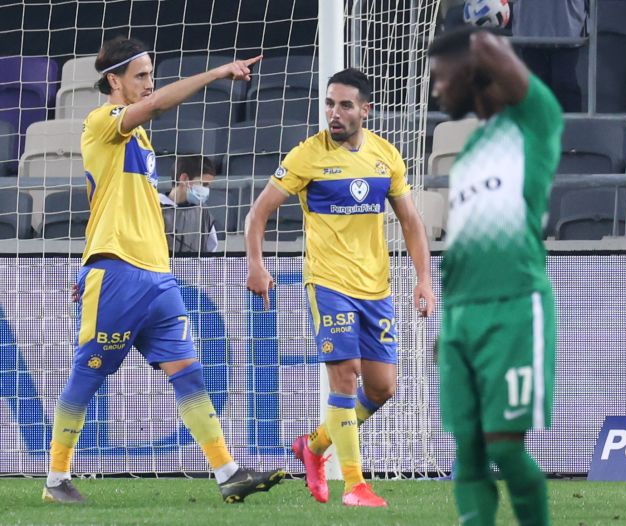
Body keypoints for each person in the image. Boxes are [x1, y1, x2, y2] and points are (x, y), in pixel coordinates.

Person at [42, 36, 284, 504]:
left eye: (152, 74)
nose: (149, 83)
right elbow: (153, 108)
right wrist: (218, 72)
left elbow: (121, 203)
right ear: (114, 81)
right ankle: (56, 479)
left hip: (157, 276)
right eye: (141, 75)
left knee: (189, 372)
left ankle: (228, 472)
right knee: (87, 375)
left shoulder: (139, 140)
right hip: (119, 273)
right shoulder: (102, 122)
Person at [244, 68, 436, 508]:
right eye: (329, 103)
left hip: (376, 288)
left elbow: (411, 222)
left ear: (365, 110)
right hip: (328, 283)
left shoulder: (386, 156)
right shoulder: (306, 155)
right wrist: (256, 264)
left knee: (383, 388)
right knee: (345, 374)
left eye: (345, 105)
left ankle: (313, 446)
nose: (334, 112)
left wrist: (423, 279)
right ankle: (354, 485)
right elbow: (258, 213)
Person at [428, 27, 562, 525]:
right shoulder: (471, 152)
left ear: (472, 71)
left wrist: (477, 25)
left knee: (504, 447)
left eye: (441, 77)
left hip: (513, 306)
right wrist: (447, 321)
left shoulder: (534, 121)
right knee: (468, 451)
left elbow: (493, 52)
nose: (436, 90)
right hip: (461, 316)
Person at [512, 0, 588, 112]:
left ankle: (571, 122)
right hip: (530, 27)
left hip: (566, 29)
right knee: (536, 88)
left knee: (564, 85)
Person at [159, 155, 218, 254]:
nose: (207, 190)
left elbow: (211, 249)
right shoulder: (155, 207)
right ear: (184, 179)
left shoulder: (203, 212)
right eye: (204, 184)